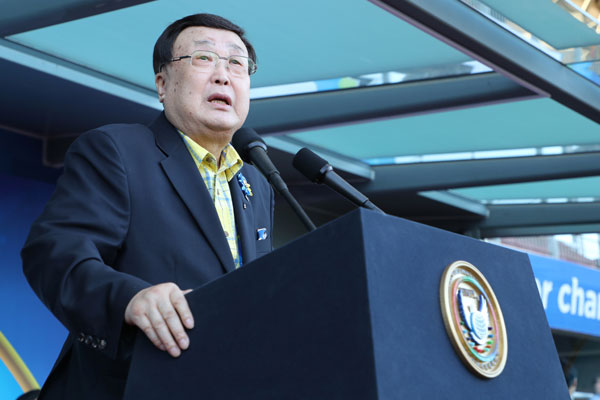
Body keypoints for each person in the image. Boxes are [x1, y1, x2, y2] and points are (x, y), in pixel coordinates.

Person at [21, 13, 273, 400]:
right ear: (162, 84)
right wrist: (130, 298)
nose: (223, 75)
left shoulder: (256, 182)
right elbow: (55, 252)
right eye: (204, 58)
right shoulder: (117, 150)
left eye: (237, 63)